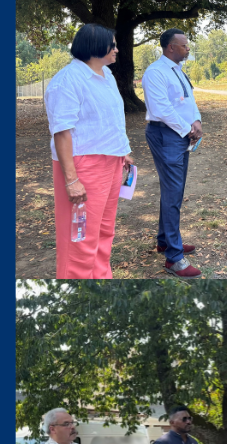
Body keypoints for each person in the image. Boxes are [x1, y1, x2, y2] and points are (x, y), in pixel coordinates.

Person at [45, 23, 134, 279]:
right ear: (96, 47)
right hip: (83, 166)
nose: (117, 49)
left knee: (104, 231)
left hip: (112, 163)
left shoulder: (107, 76)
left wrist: (122, 151)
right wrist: (71, 180)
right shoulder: (67, 81)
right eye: (113, 45)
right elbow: (62, 132)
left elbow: (111, 120)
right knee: (79, 238)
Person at [142, 28, 203, 277]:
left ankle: (165, 241)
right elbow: (162, 109)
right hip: (167, 135)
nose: (188, 49)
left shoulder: (177, 71)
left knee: (173, 191)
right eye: (184, 45)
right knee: (173, 193)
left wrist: (196, 121)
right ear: (170, 48)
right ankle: (173, 259)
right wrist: (187, 129)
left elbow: (188, 101)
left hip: (180, 135)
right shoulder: (155, 73)